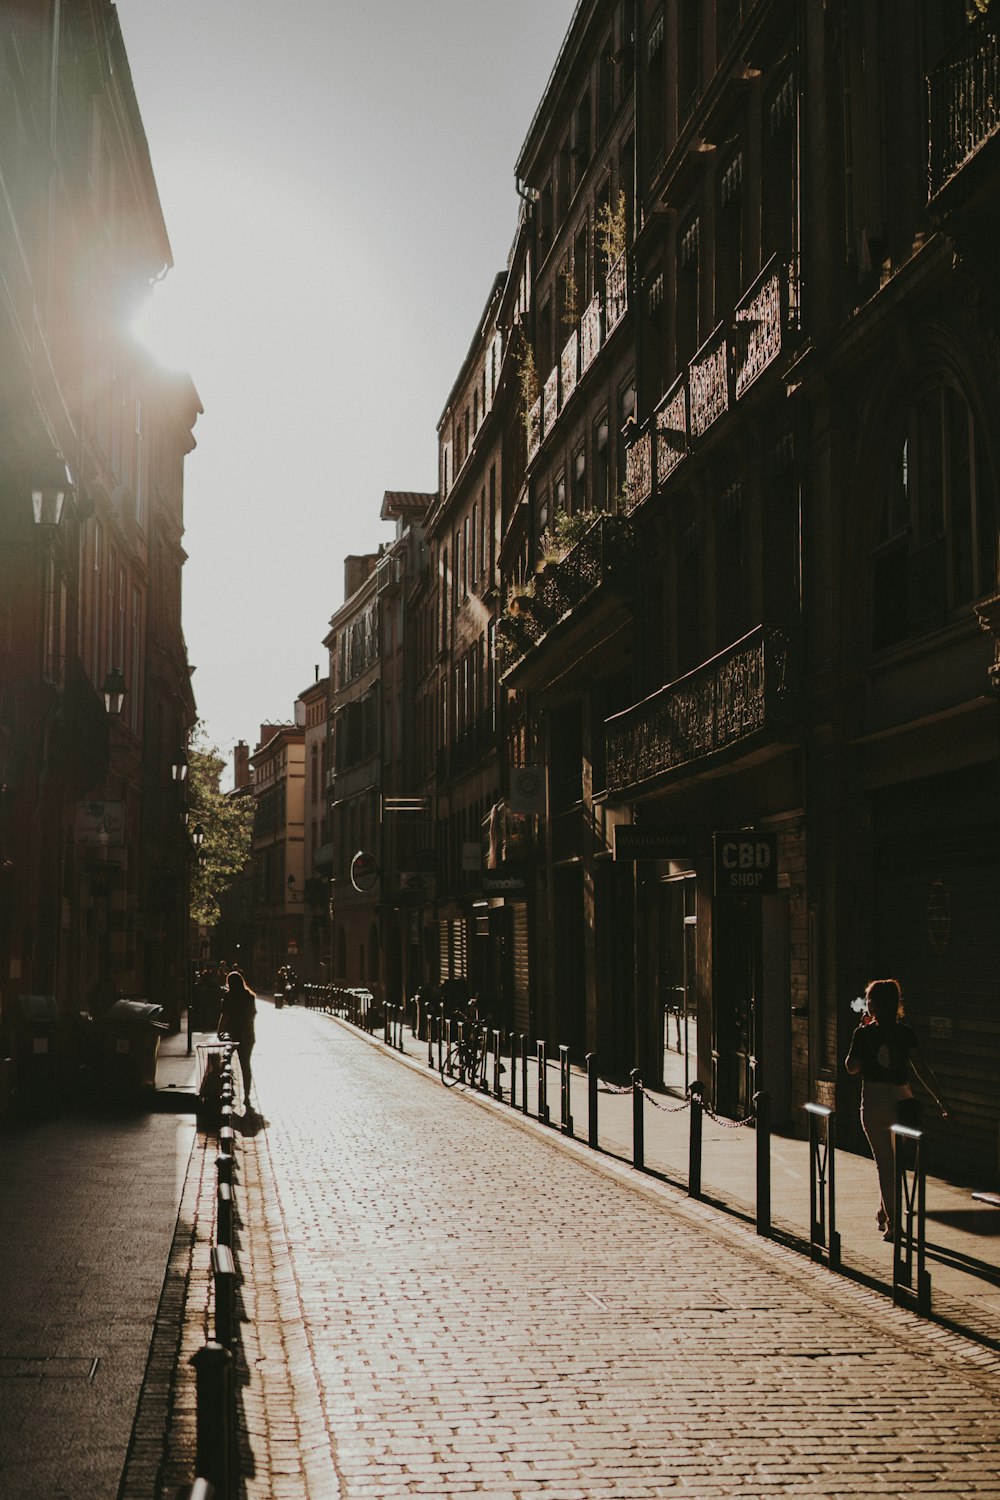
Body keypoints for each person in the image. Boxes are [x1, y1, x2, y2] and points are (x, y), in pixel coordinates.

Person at [845, 978, 949, 1240]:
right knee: (893, 1161)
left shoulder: (863, 1033)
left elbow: (852, 1068)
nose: (866, 1002)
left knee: (885, 1162)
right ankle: (884, 1212)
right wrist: (940, 1099)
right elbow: (921, 1068)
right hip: (903, 1098)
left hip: (874, 1099)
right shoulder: (906, 1033)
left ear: (875, 1004)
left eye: (868, 998)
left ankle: (893, 1223)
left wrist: (860, 1034)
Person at [218, 970, 257, 1113]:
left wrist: (219, 1030)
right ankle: (247, 1095)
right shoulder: (249, 996)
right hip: (247, 1034)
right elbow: (252, 1015)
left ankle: (230, 1091)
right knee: (245, 1065)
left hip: (233, 1033)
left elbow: (225, 1015)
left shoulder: (229, 996)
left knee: (225, 1061)